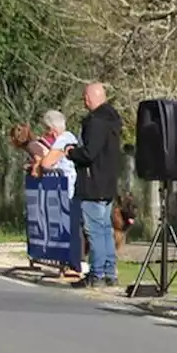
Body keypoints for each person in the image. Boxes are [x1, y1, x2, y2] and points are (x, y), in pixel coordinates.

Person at [66, 83, 124, 288]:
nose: (84, 100)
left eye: (86, 96)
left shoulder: (96, 122)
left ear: (93, 97)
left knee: (95, 231)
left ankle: (96, 273)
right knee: (105, 229)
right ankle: (109, 271)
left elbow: (90, 152)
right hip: (107, 183)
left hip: (93, 184)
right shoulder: (113, 121)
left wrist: (72, 152)